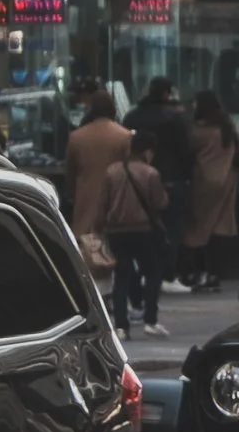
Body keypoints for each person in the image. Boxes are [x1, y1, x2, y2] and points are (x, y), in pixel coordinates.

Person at [100, 135, 170, 338]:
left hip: (116, 231)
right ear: (148, 151)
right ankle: (150, 320)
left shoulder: (112, 171)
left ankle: (121, 326)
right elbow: (160, 203)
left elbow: (103, 203)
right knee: (153, 272)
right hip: (143, 230)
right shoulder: (151, 173)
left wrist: (99, 228)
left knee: (121, 276)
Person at [131, 77, 195, 295]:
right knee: (170, 229)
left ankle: (141, 272)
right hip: (170, 179)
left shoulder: (133, 116)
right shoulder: (174, 119)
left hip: (137, 179)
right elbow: (185, 151)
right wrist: (187, 176)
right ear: (167, 93)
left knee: (141, 229)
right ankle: (167, 273)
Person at [184, 91, 239, 286]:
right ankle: (215, 273)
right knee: (219, 226)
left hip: (203, 182)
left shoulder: (199, 131)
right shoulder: (227, 128)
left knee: (199, 227)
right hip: (227, 181)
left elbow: (187, 149)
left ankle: (199, 272)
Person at [63, 89, 135, 248]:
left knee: (86, 249)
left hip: (85, 198)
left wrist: (72, 194)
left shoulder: (76, 137)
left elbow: (70, 172)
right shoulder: (125, 136)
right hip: (116, 200)